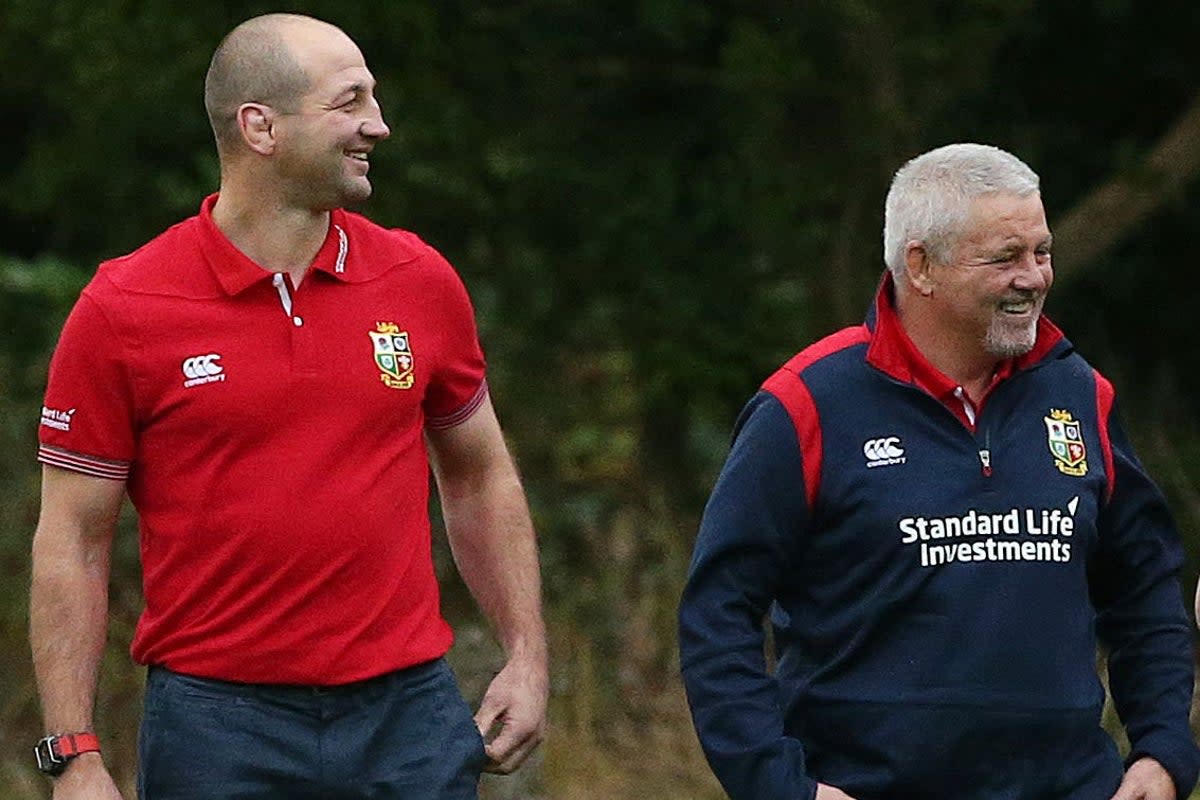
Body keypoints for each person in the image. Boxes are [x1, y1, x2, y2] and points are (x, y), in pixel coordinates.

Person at [29, 13, 547, 799]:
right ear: (259, 127)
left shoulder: (418, 279)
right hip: (217, 726)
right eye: (349, 102)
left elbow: (479, 477)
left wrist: (527, 654)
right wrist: (74, 754)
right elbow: (72, 539)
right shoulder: (124, 307)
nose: (378, 123)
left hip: (408, 716)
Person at [678, 143, 1199, 800]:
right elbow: (717, 611)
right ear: (920, 266)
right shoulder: (806, 404)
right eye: (1005, 258)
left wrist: (1162, 749)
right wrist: (780, 785)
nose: (1034, 277)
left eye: (1042, 253)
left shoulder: (1081, 395)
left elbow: (1145, 587)